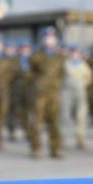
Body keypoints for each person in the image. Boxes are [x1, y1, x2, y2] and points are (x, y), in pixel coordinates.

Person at [28, 27, 65, 159]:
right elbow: (30, 75)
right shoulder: (36, 56)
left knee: (55, 122)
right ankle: (36, 149)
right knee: (37, 122)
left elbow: (62, 74)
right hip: (40, 94)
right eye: (47, 37)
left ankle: (55, 149)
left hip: (54, 93)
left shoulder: (60, 56)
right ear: (42, 39)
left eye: (52, 37)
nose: (50, 40)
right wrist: (38, 84)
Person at [62, 45, 93, 150]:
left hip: (80, 92)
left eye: (77, 53)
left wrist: (82, 84)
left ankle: (81, 139)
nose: (75, 55)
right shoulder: (65, 64)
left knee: (81, 116)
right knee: (65, 116)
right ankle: (62, 138)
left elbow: (89, 78)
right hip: (66, 92)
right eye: (73, 52)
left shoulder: (84, 65)